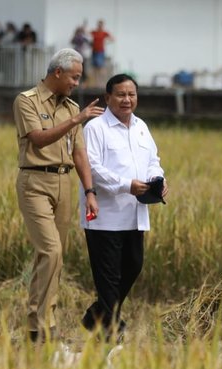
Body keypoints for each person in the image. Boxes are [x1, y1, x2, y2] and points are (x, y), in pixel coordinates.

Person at [13, 48, 105, 342]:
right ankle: (44, 325)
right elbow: (39, 140)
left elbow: (79, 153)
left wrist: (89, 191)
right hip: (35, 182)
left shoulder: (70, 107)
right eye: (74, 77)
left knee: (54, 257)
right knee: (50, 251)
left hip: (65, 184)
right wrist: (77, 120)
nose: (77, 83)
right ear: (58, 72)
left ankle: (37, 327)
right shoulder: (26, 101)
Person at [80, 73, 167, 342]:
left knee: (134, 265)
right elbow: (92, 167)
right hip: (104, 215)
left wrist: (158, 179)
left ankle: (94, 317)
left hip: (135, 213)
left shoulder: (141, 126)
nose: (126, 100)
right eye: (120, 94)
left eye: (131, 94)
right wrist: (125, 184)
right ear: (108, 98)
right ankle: (109, 334)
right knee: (108, 278)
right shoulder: (95, 128)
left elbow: (153, 159)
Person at [90, 20, 114, 86]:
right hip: (94, 51)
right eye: (99, 24)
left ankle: (102, 82)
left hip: (100, 51)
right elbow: (87, 35)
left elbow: (112, 39)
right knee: (95, 67)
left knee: (100, 67)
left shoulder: (104, 33)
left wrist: (106, 42)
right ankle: (96, 83)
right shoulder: (94, 32)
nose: (99, 26)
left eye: (101, 25)